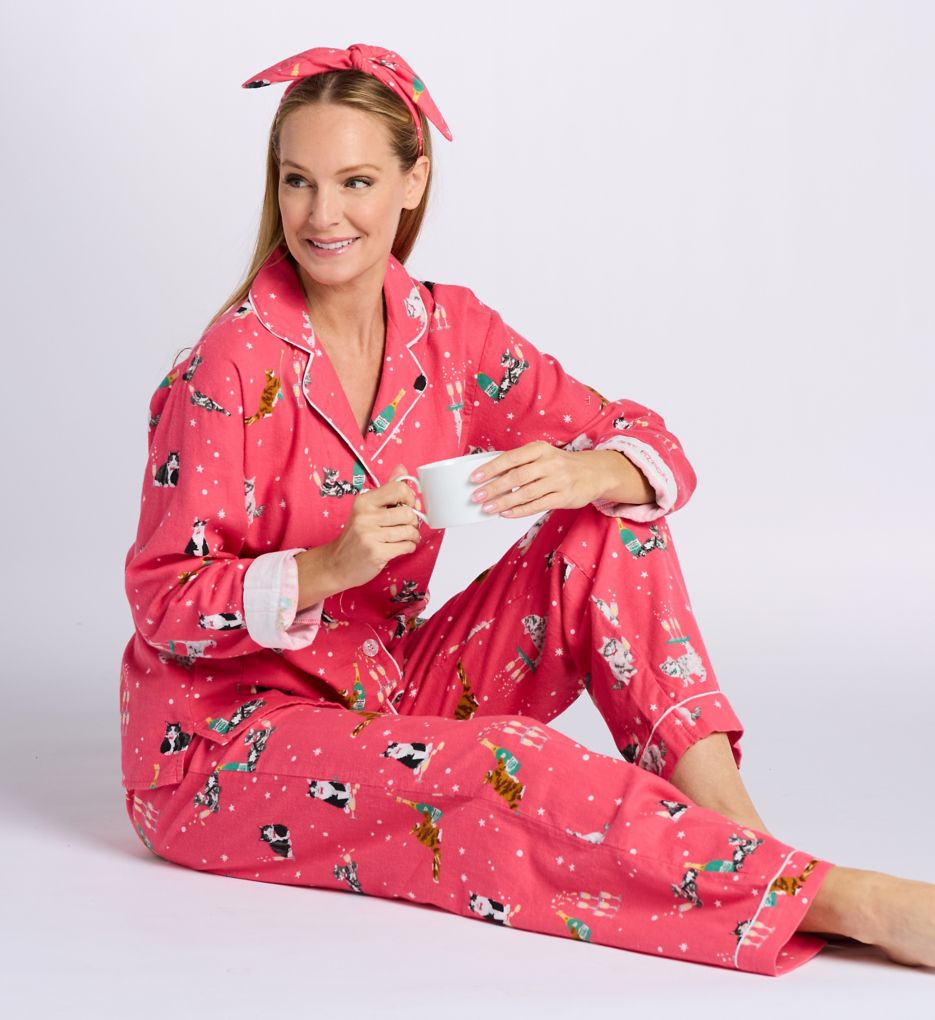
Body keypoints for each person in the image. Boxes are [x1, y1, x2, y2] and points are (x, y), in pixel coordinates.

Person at [119, 42, 934, 976]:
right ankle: (846, 900)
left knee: (610, 525)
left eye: (355, 181)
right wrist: (323, 569)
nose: (321, 214)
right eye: (297, 181)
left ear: (413, 182)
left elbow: (646, 442)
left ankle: (750, 853)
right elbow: (161, 602)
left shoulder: (448, 332)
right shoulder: (228, 366)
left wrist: (587, 473)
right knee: (505, 761)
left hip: (384, 689)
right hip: (226, 746)